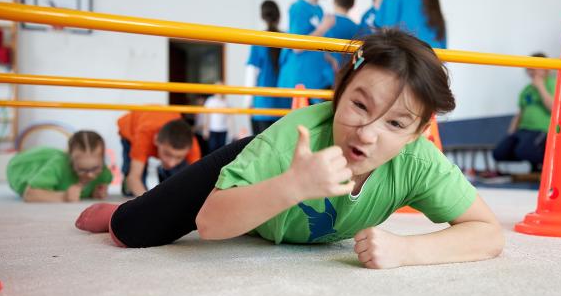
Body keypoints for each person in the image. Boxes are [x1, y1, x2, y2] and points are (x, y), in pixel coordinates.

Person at [75, 29, 504, 269]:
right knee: (132, 230)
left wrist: (410, 251)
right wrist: (293, 185)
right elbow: (209, 224)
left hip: (276, 208)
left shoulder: (417, 162)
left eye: (395, 123)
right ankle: (121, 209)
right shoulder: (288, 140)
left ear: (417, 132)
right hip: (256, 164)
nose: (367, 134)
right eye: (359, 105)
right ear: (339, 92)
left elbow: (488, 232)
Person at [275, 0, 339, 103]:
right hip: (299, 81)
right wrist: (323, 27)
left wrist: (329, 58)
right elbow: (297, 47)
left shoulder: (319, 10)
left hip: (314, 79)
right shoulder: (298, 8)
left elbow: (316, 43)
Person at [7, 130, 112, 202]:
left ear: (102, 159)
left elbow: (99, 187)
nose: (90, 175)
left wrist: (97, 192)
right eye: (82, 170)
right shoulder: (60, 165)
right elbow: (29, 194)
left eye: (95, 168)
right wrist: (63, 196)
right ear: (70, 159)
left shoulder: (104, 174)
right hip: (23, 165)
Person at [492, 53, 556, 172]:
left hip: (542, 130)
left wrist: (540, 86)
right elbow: (520, 113)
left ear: (546, 69)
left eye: (535, 67)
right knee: (499, 152)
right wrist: (511, 133)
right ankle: (534, 161)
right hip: (523, 130)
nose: (532, 71)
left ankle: (547, 164)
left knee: (524, 150)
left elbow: (554, 108)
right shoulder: (526, 90)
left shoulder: (552, 83)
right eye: (530, 68)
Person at [117, 111, 201, 197]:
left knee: (178, 179)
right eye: (167, 154)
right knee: (132, 188)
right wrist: (150, 203)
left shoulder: (191, 144)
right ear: (155, 140)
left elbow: (198, 179)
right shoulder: (143, 138)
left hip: (159, 121)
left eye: (179, 157)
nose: (171, 163)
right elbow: (134, 177)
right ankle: (126, 177)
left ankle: (164, 174)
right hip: (130, 128)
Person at [245, 0, 283, 135]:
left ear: (262, 17)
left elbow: (251, 73)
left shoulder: (258, 39)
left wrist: (247, 103)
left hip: (262, 105)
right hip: (284, 104)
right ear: (279, 16)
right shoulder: (287, 38)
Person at [323, 0, 360, 74]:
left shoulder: (323, 23)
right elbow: (360, 58)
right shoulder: (356, 28)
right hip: (344, 77)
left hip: (322, 79)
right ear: (353, 4)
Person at [197, 85, 228, 153]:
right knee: (212, 149)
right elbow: (206, 115)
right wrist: (205, 130)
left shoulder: (226, 101)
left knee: (222, 150)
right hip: (212, 129)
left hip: (223, 129)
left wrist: (232, 131)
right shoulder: (210, 100)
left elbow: (229, 117)